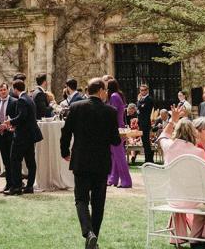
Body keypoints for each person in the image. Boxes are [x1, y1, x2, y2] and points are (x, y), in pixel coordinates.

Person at [61, 78, 122, 249]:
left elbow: (66, 132)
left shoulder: (76, 107)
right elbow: (115, 140)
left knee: (81, 199)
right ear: (101, 90)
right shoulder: (110, 111)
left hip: (81, 161)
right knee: (98, 203)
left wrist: (65, 151)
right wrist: (120, 137)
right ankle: (93, 237)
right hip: (101, 163)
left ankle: (89, 233)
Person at [6, 79, 42, 195]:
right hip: (30, 135)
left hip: (22, 136)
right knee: (30, 161)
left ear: (15, 89)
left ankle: (16, 187)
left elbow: (22, 116)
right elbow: (26, 118)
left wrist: (10, 122)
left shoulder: (21, 99)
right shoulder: (29, 98)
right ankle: (29, 186)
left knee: (15, 160)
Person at [105, 79, 132, 188]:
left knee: (119, 156)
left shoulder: (114, 96)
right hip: (118, 127)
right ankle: (113, 179)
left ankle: (126, 181)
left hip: (116, 128)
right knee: (115, 156)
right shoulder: (117, 95)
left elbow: (113, 113)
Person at [0, 82, 17, 186]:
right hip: (1, 135)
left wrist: (9, 125)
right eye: (1, 90)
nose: (3, 91)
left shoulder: (14, 102)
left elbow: (18, 117)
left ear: (8, 90)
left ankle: (15, 183)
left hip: (11, 134)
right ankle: (8, 183)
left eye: (4, 89)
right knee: (5, 160)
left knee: (13, 160)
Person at [136, 84, 155, 164]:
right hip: (141, 123)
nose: (142, 92)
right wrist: (139, 104)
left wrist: (139, 104)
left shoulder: (149, 99)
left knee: (146, 142)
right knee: (144, 142)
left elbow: (142, 108)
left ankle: (148, 159)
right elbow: (138, 108)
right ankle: (149, 158)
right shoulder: (141, 99)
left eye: (144, 90)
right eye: (141, 90)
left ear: (147, 90)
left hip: (146, 123)